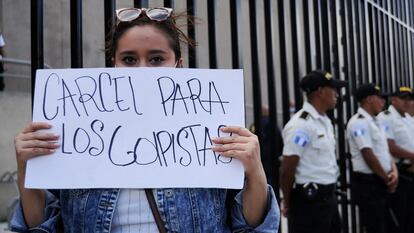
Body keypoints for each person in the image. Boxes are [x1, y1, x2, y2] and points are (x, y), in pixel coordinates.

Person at [10, 7, 279, 233]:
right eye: (129, 59)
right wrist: (26, 168)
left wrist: (255, 172)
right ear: (113, 63)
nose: (142, 70)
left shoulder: (211, 132)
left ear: (179, 65)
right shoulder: (74, 129)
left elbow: (250, 226)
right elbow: (42, 226)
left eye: (156, 59)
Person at [280, 70, 346, 233]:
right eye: (333, 89)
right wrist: (287, 202)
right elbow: (288, 168)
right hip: (310, 203)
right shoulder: (301, 125)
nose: (337, 94)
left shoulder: (324, 121)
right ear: (320, 91)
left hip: (328, 198)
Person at [346, 83, 398, 233]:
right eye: (380, 98)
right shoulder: (359, 122)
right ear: (368, 99)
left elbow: (384, 151)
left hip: (381, 179)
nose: (383, 102)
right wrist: (387, 178)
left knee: (386, 224)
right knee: (375, 225)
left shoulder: (375, 121)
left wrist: (393, 171)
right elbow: (368, 154)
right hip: (369, 183)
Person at [378, 86, 414, 233]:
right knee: (400, 216)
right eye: (403, 98)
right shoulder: (386, 117)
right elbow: (390, 146)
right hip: (400, 171)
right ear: (393, 100)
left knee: (410, 216)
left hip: (410, 170)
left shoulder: (407, 118)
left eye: (409, 99)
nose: (407, 102)